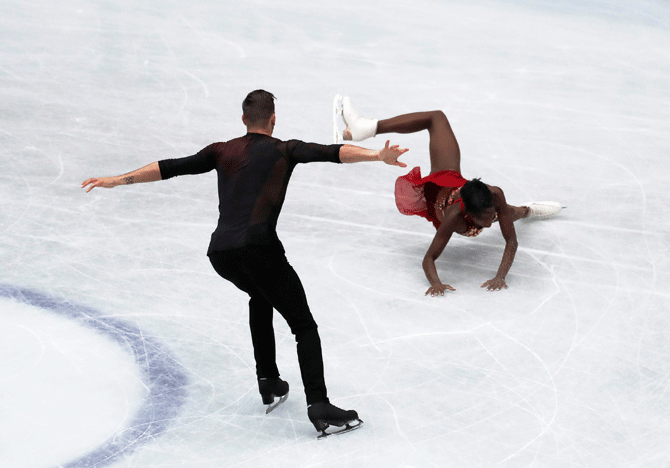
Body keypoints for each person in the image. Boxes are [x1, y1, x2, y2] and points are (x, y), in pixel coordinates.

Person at [82, 90, 408, 438]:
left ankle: (268, 379)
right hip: (260, 248)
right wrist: (378, 155)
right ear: (273, 120)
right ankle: (320, 405)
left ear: (243, 120)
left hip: (221, 254)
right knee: (304, 326)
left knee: (261, 297)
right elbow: (334, 153)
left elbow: (170, 167)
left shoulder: (221, 150)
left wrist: (117, 180)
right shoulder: (286, 149)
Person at [334, 95, 561, 296]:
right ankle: (366, 128)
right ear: (469, 215)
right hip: (439, 195)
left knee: (513, 213)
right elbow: (429, 259)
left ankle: (529, 209)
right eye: (485, 219)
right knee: (436, 118)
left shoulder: (494, 194)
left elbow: (511, 240)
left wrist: (501, 276)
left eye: (491, 213)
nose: (490, 223)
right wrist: (436, 283)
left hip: (452, 182)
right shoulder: (455, 217)